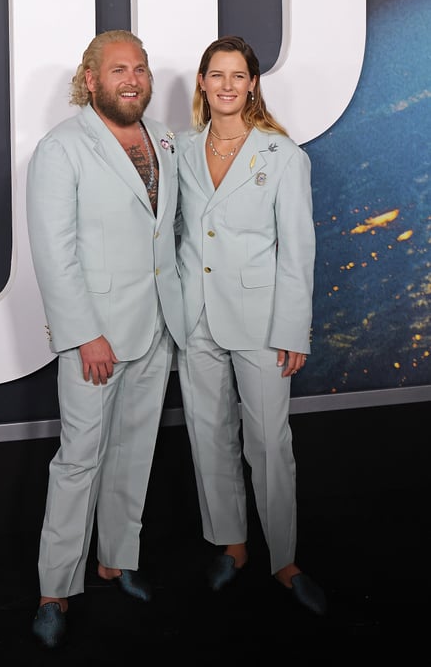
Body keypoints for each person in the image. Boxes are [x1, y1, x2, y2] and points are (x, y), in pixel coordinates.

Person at [26, 29, 186, 649]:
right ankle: (54, 590)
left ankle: (115, 561)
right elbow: (53, 252)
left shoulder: (163, 140)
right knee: (79, 461)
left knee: (133, 454)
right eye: (119, 68)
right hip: (96, 338)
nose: (134, 78)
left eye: (141, 68)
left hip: (155, 328)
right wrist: (83, 333)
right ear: (90, 79)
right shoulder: (60, 149)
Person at [175, 35, 327, 615]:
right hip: (197, 319)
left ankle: (283, 559)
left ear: (253, 84)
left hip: (263, 321)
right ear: (203, 83)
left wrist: (294, 329)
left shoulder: (282, 156)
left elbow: (298, 249)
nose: (227, 86)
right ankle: (231, 546)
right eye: (217, 75)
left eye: (238, 76)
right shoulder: (183, 152)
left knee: (268, 443)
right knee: (208, 437)